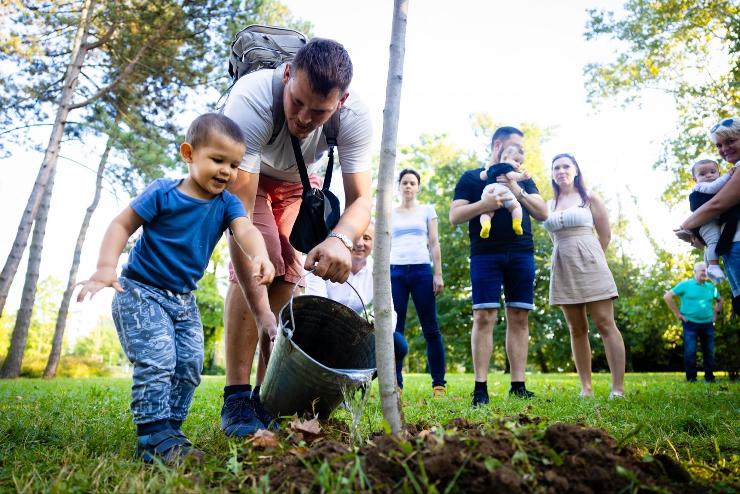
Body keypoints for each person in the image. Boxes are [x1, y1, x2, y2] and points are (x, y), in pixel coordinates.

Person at [76, 114, 275, 463]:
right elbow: (121, 223)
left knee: (188, 364)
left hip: (182, 300)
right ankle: (152, 437)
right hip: (140, 292)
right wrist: (106, 268)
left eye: (234, 164)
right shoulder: (163, 193)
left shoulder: (226, 203)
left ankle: (170, 431)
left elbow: (246, 230)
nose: (227, 171)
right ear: (189, 153)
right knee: (158, 361)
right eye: (217, 160)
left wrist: (260, 255)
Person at [220, 38, 373, 436]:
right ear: (287, 74)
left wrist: (340, 239)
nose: (304, 118)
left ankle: (267, 395)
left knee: (289, 273)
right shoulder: (251, 99)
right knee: (264, 257)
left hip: (299, 184)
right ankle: (236, 398)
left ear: (341, 101)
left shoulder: (354, 116)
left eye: (319, 111)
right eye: (297, 102)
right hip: (247, 177)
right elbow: (240, 221)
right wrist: (261, 313)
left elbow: (362, 201)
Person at [450, 126, 548, 407]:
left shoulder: (523, 178)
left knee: (519, 317)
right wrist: (484, 204)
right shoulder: (472, 177)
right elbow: (455, 216)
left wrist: (516, 188)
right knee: (484, 317)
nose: (521, 154)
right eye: (516, 147)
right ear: (497, 146)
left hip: (521, 252)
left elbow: (542, 213)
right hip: (484, 255)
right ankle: (480, 388)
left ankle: (518, 385)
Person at [544, 153, 626, 398]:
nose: (561, 170)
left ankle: (618, 388)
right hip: (563, 266)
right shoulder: (549, 204)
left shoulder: (589, 197)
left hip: (591, 264)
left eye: (566, 166)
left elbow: (605, 235)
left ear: (576, 170)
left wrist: (592, 258)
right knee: (576, 328)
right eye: (556, 167)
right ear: (552, 173)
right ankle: (586, 388)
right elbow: (553, 237)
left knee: (604, 323)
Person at [305, 222, 408, 384]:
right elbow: (316, 305)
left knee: (398, 344)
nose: (360, 243)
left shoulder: (379, 271)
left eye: (367, 238)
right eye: (356, 237)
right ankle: (319, 383)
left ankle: (353, 385)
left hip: (359, 337)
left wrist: (376, 329)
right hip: (324, 332)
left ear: (373, 243)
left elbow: (390, 314)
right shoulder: (324, 262)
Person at [676, 116, 740, 317]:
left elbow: (717, 204)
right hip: (731, 247)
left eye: (731, 141)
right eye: (719, 145)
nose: (724, 149)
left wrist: (687, 224)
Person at [391, 169, 447, 396]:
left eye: (412, 183)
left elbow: (434, 243)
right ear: (399, 186)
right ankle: (396, 384)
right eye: (404, 182)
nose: (408, 186)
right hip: (395, 272)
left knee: (431, 328)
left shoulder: (427, 210)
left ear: (418, 187)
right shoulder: (389, 212)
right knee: (396, 329)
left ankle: (439, 384)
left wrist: (438, 274)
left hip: (422, 271)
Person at [663, 262, 722, 382]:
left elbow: (720, 300)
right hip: (690, 323)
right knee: (690, 351)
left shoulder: (711, 287)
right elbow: (667, 296)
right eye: (702, 270)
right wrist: (678, 314)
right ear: (695, 272)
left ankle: (710, 378)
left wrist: (716, 315)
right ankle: (691, 378)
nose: (704, 273)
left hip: (707, 324)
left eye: (706, 270)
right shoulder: (685, 285)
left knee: (709, 352)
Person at [687, 158, 738, 283]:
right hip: (706, 223)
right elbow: (713, 188)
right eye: (702, 174)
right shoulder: (701, 186)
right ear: (695, 180)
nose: (709, 175)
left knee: (711, 244)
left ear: (718, 173)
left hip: (714, 220)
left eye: (712, 172)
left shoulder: (721, 184)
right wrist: (728, 175)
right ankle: (714, 266)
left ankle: (709, 266)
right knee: (714, 240)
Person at [478, 144, 530, 239]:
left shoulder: (492, 168)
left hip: (489, 192)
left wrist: (485, 170)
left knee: (486, 212)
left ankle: (485, 225)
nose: (518, 165)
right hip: (503, 192)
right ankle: (517, 224)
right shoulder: (507, 167)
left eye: (520, 163)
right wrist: (522, 176)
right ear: (505, 158)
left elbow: (482, 176)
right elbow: (512, 176)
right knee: (516, 207)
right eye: (516, 161)